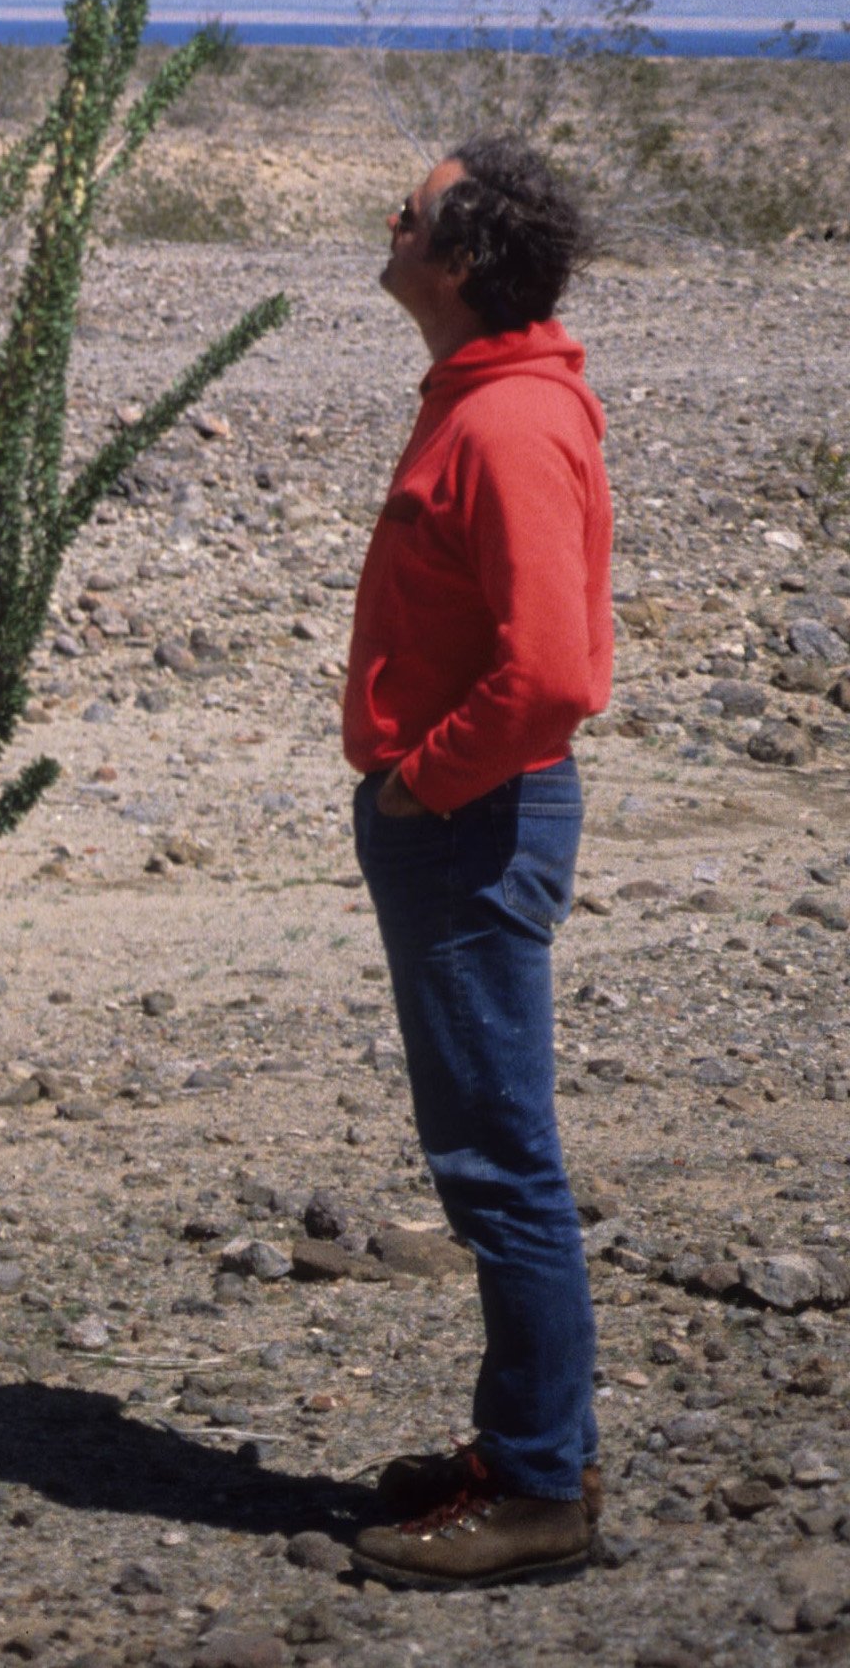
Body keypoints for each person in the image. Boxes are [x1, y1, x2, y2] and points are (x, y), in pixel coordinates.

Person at [345, 133, 612, 1591]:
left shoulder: (505, 426)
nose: (388, 223)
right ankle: (526, 1445)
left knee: (500, 1171)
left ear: (457, 259)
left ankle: (539, 1492)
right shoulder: (488, 400)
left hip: (472, 824)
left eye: (411, 211)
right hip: (461, 818)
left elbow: (554, 675)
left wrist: (420, 789)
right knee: (494, 1161)